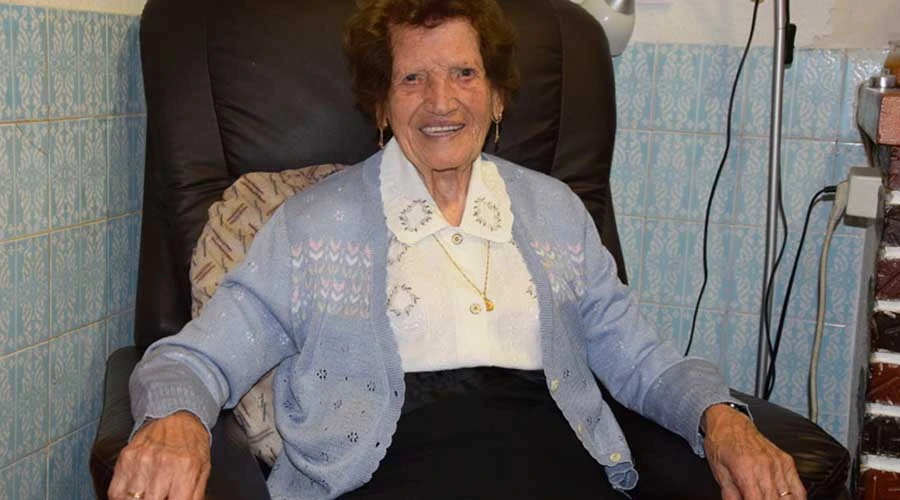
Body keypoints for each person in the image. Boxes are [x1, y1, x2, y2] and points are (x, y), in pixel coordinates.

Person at [108, 0, 806, 499]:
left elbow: (641, 360)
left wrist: (721, 418)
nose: (440, 101)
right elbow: (195, 356)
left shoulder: (556, 212)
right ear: (381, 105)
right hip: (390, 467)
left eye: (464, 74)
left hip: (554, 460)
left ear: (498, 96)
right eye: (412, 78)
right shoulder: (313, 227)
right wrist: (176, 419)